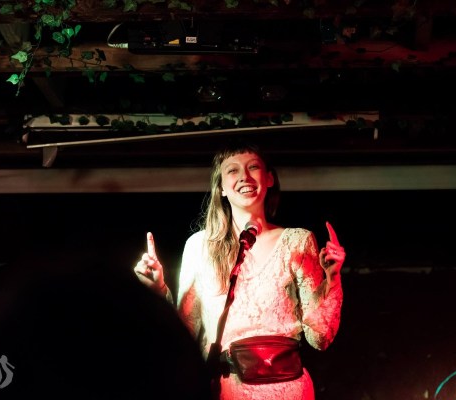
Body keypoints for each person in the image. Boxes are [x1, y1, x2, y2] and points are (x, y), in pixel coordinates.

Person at [134, 140, 345, 400]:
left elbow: (320, 338)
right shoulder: (199, 246)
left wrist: (332, 278)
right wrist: (157, 291)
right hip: (225, 389)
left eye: (253, 167)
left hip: (286, 389)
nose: (244, 176)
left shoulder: (298, 241)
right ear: (221, 187)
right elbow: (183, 336)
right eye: (232, 170)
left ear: (269, 178)